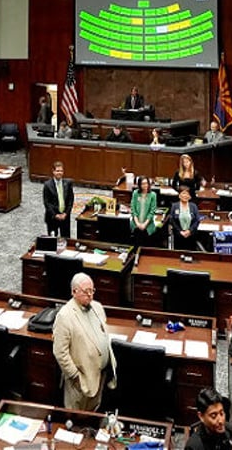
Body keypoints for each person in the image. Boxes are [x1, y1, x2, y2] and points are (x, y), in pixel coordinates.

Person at [52, 272, 116, 411]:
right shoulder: (65, 316)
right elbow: (60, 352)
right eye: (86, 291)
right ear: (74, 292)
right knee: (76, 417)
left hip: (99, 375)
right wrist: (75, 377)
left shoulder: (97, 307)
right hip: (81, 380)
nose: (90, 295)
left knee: (93, 413)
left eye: (92, 290)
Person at [43, 161, 74, 237]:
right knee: (53, 240)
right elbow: (47, 203)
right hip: (52, 217)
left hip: (65, 217)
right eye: (57, 171)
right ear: (53, 172)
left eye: (61, 171)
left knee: (66, 239)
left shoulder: (68, 183)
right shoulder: (47, 185)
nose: (59, 173)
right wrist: (55, 215)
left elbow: (70, 200)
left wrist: (66, 213)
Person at [170, 185, 200, 251]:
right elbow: (172, 220)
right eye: (183, 193)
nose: (185, 195)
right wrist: (180, 231)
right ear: (179, 195)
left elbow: (197, 220)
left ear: (189, 196)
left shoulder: (193, 206)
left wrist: (189, 231)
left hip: (191, 235)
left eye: (187, 194)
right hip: (178, 235)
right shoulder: (174, 206)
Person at [130, 175, 159, 245]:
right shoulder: (135, 193)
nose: (145, 185)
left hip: (148, 225)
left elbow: (152, 212)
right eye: (142, 184)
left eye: (146, 183)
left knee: (145, 243)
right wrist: (137, 223)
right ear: (139, 185)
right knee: (136, 242)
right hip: (136, 224)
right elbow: (133, 209)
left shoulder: (153, 195)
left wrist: (144, 225)